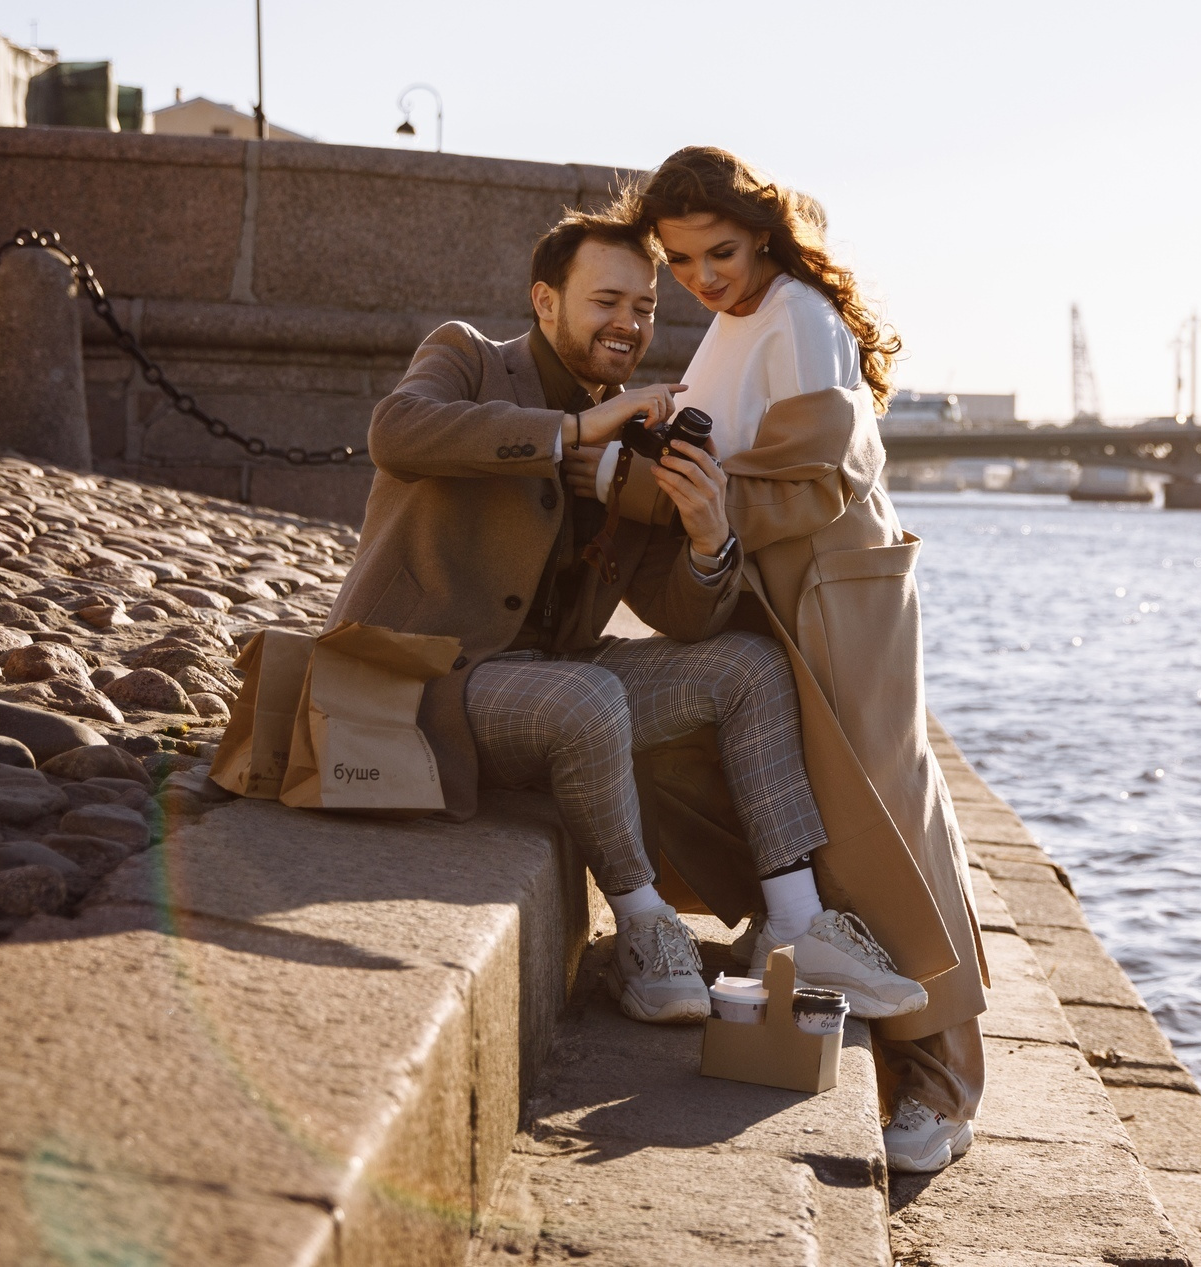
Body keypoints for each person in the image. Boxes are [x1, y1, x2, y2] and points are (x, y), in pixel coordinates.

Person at [326, 196, 926, 1025]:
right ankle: (646, 926)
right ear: (546, 301)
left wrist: (709, 537)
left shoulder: (639, 434)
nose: (629, 323)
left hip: (552, 684)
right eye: (606, 301)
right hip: (423, 679)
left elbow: (679, 613)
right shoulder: (469, 357)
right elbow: (397, 432)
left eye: (644, 306)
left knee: (749, 667)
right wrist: (571, 430)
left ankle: (796, 924)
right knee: (587, 696)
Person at [610, 147, 987, 1176]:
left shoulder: (801, 316)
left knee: (884, 824)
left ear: (763, 235)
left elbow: (819, 480)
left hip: (837, 589)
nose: (702, 276)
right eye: (682, 260)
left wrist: (653, 486)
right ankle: (856, 1009)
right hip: (785, 589)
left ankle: (944, 1087)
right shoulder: (738, 319)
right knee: (822, 816)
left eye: (721, 252)